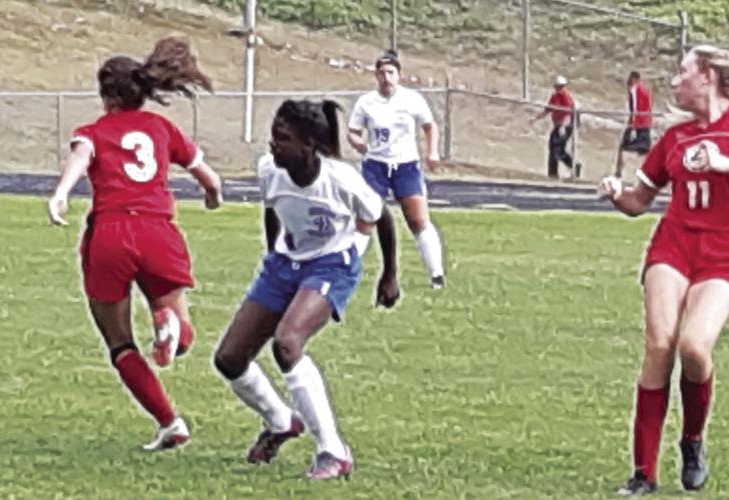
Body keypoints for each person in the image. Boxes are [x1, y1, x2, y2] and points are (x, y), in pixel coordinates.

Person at [597, 45, 729, 495]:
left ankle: (692, 441)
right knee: (659, 344)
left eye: (681, 73)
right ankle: (643, 474)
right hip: (673, 246)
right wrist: (616, 193)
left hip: (724, 251)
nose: (674, 82)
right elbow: (638, 201)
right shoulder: (674, 138)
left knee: (694, 347)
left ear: (707, 76)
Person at [46, 37, 222, 450]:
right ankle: (168, 324)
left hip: (110, 234)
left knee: (120, 342)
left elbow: (81, 156)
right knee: (182, 335)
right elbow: (210, 180)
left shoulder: (93, 131)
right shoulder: (162, 128)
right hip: (158, 231)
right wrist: (213, 197)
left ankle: (170, 423)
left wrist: (60, 194)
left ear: (106, 95)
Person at [212, 99, 382, 480]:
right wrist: (273, 251)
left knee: (287, 343)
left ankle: (333, 452)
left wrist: (388, 274)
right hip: (284, 264)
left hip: (330, 264)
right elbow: (273, 207)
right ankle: (279, 421)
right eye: (273, 136)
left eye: (282, 139)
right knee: (229, 359)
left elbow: (377, 217)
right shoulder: (269, 169)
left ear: (309, 145)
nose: (273, 145)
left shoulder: (339, 178)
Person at [346, 49, 446, 305]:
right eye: (381, 73)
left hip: (405, 166)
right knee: (366, 220)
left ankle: (436, 274)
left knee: (418, 219)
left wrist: (432, 151)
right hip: (375, 167)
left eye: (390, 72)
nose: (386, 78)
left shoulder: (412, 100)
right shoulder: (366, 102)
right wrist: (360, 145)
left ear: (399, 75)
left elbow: (429, 126)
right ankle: (346, 271)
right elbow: (353, 131)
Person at [531, 75, 581, 179]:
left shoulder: (565, 96)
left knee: (557, 149)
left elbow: (568, 113)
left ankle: (570, 167)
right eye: (558, 86)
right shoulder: (555, 96)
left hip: (565, 125)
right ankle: (556, 172)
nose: (559, 88)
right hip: (558, 124)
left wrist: (563, 126)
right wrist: (536, 118)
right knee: (554, 148)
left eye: (561, 86)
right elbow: (548, 109)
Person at [615, 71, 653, 178]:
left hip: (637, 125)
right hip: (646, 124)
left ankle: (618, 173)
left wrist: (633, 126)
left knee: (623, 148)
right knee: (644, 152)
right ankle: (647, 175)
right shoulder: (646, 89)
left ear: (633, 79)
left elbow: (636, 109)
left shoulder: (634, 90)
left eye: (629, 80)